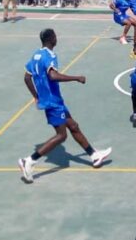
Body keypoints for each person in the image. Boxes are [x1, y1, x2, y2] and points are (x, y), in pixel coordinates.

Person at [18, 29, 112, 183]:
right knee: (61, 135)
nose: (57, 38)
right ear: (51, 39)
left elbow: (27, 77)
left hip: (53, 100)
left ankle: (94, 155)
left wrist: (36, 96)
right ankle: (29, 161)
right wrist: (76, 78)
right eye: (55, 36)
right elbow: (53, 76)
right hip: (53, 102)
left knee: (73, 126)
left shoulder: (36, 55)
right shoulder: (50, 56)